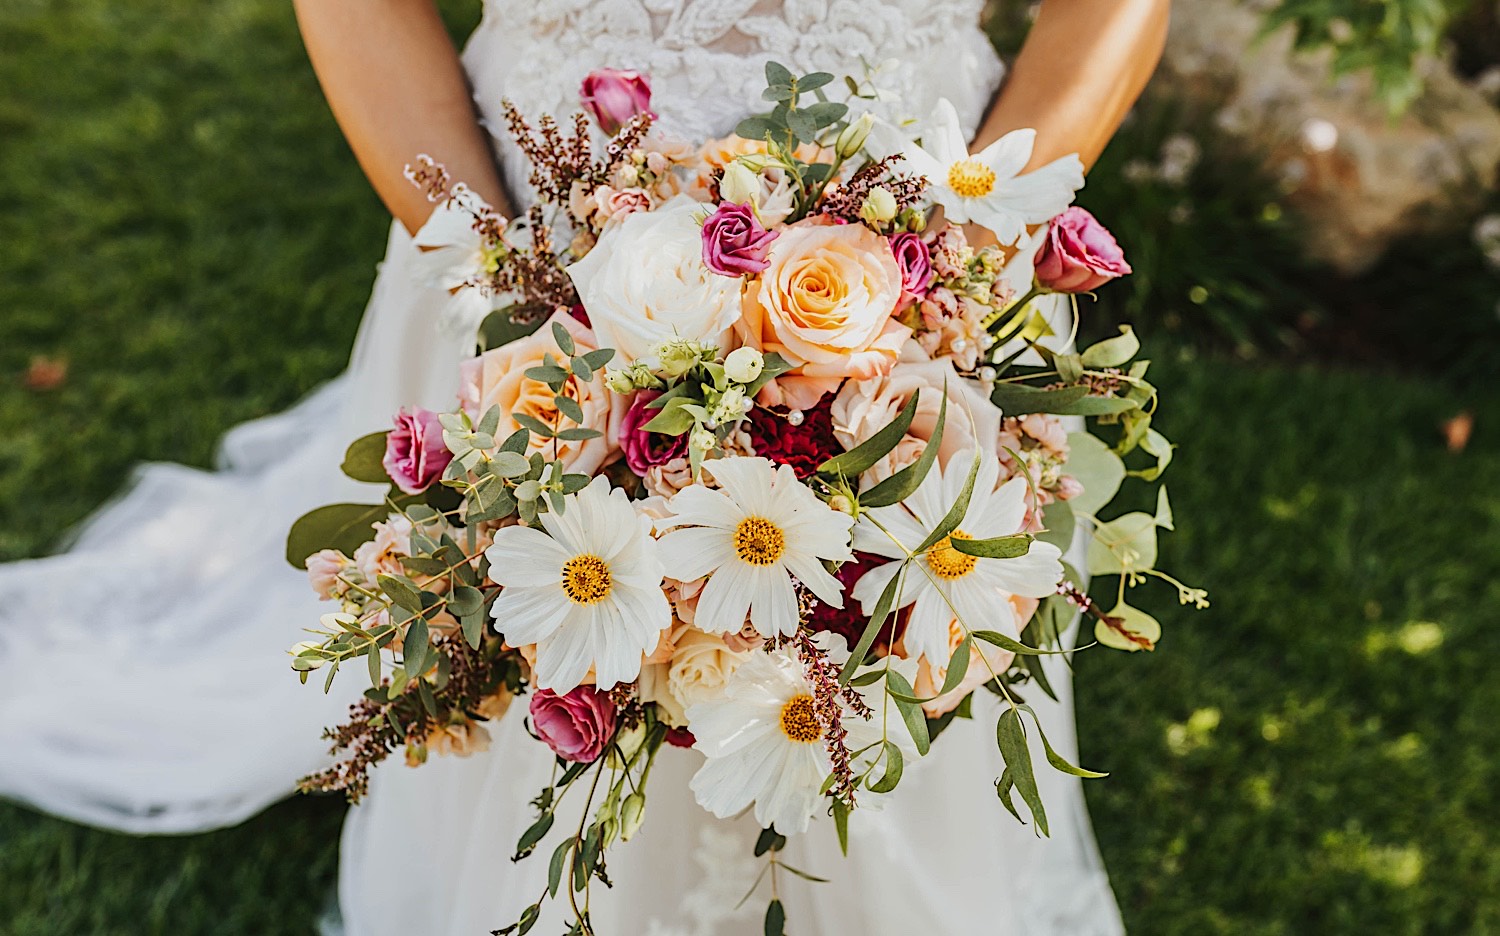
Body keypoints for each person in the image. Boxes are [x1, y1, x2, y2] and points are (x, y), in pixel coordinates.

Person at [0, 1, 1168, 933]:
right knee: (547, 622)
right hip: (527, 249)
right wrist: (497, 283)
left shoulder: (944, 276)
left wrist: (954, 269)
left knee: (897, 635)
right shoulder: (508, 285)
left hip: (926, 257)